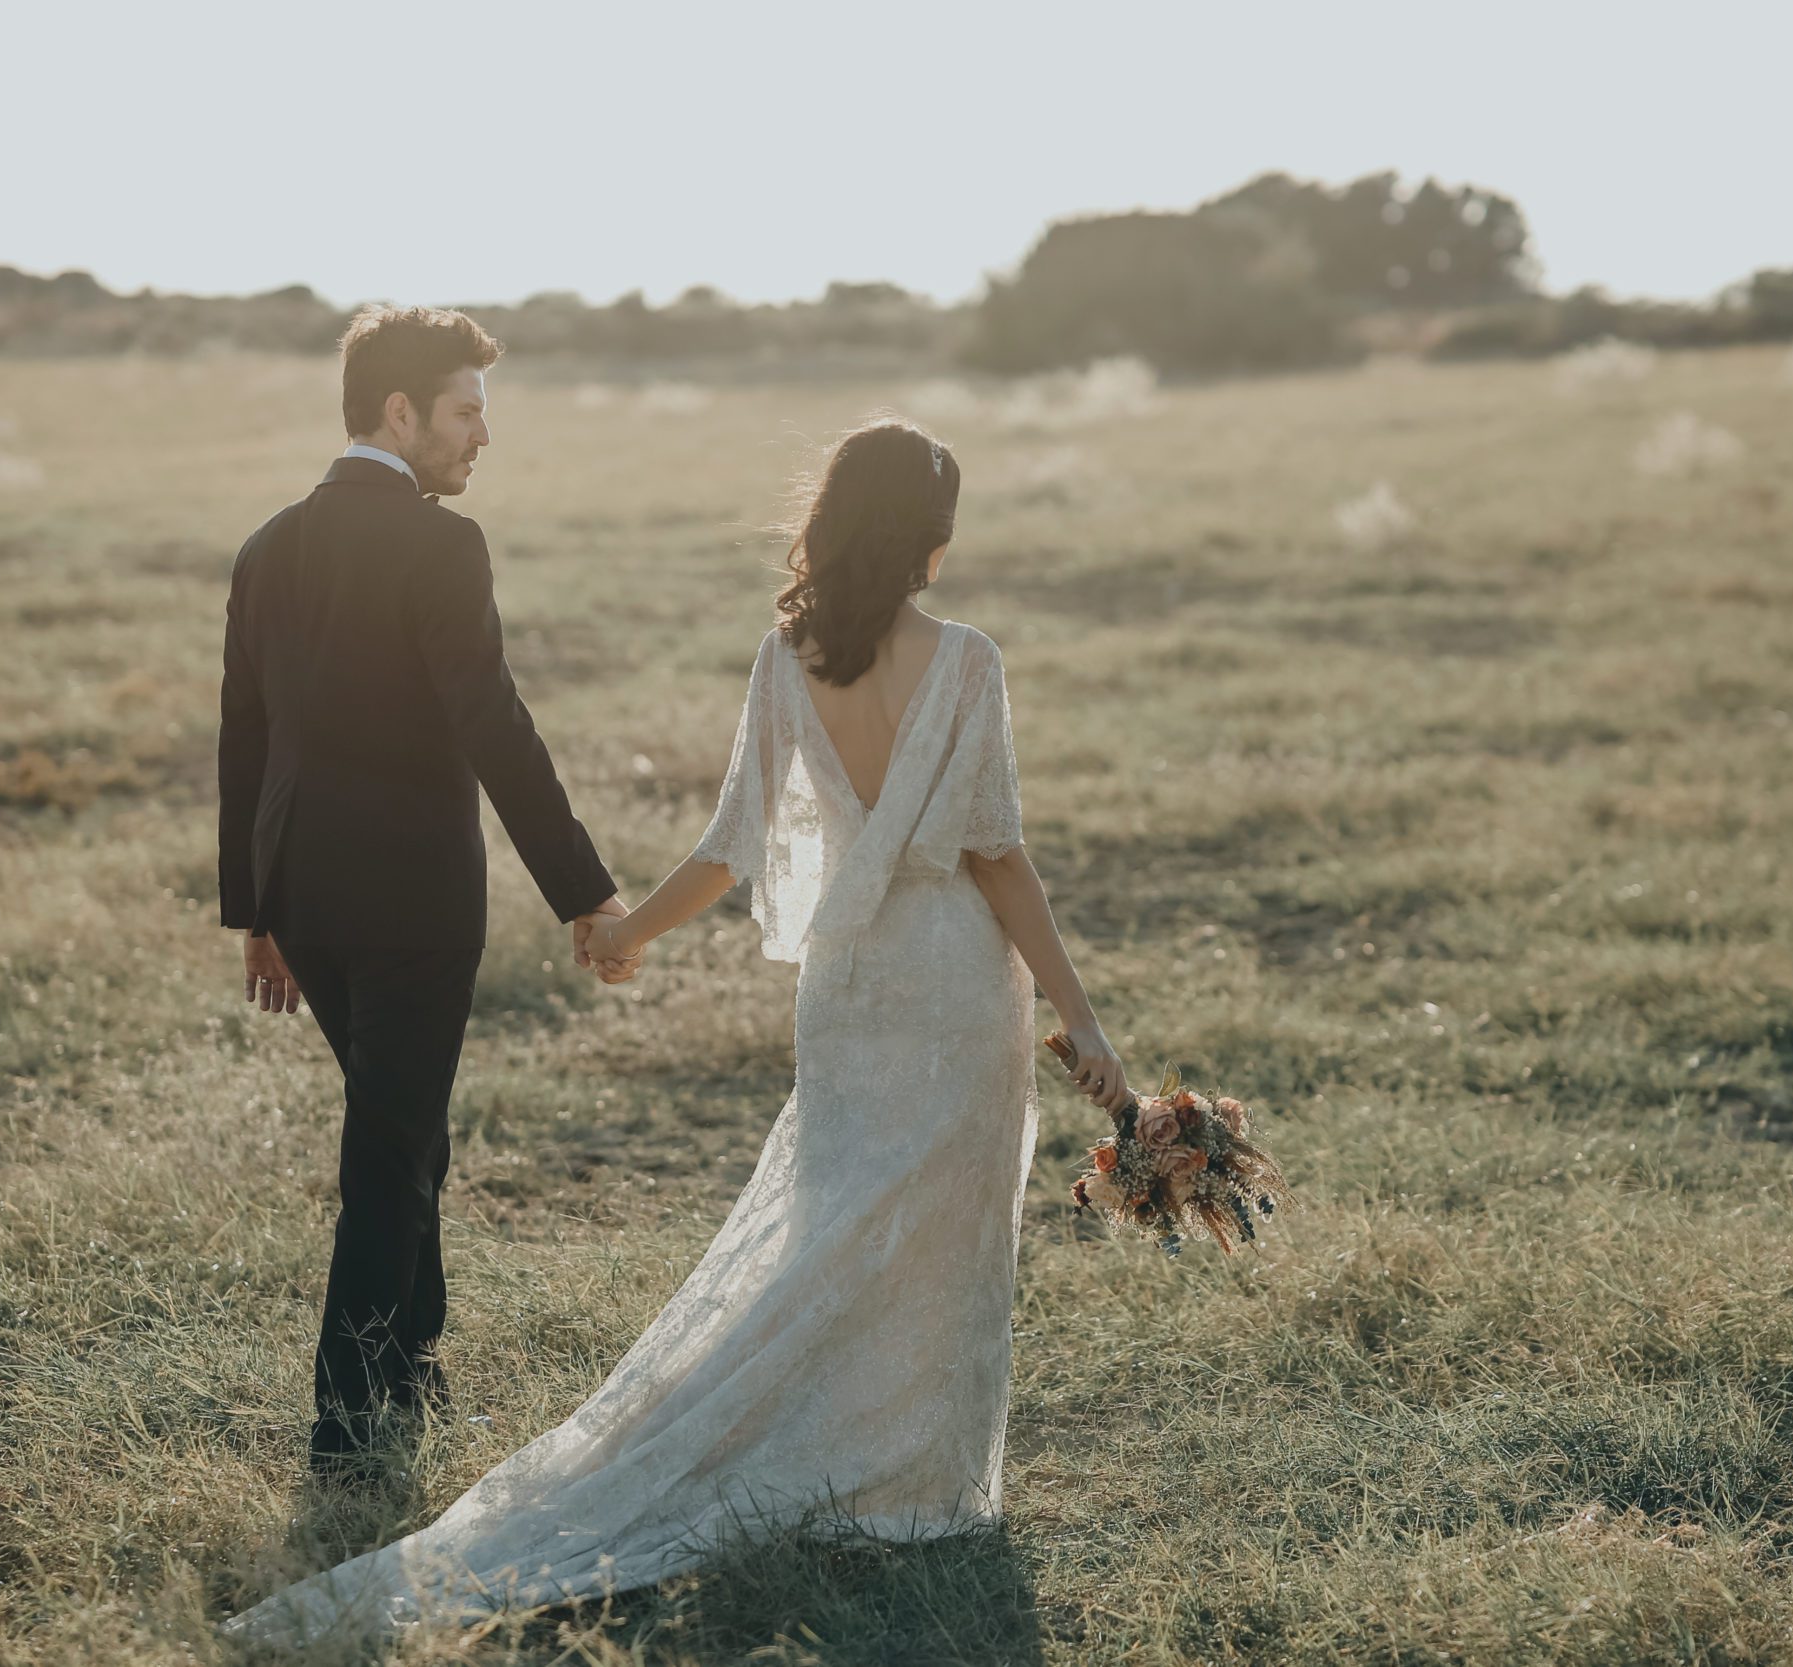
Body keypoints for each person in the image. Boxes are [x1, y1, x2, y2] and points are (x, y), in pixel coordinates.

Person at [222, 415, 1125, 1649]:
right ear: (932, 539)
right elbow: (997, 854)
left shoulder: (790, 653)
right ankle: (913, 1483)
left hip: (850, 986)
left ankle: (846, 1454)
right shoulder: (967, 659)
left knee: (834, 1215)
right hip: (956, 980)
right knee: (942, 1231)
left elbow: (728, 846)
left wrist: (629, 929)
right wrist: (1080, 1016)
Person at [216, 304, 639, 1474]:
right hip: (410, 906)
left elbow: (242, 743)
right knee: (389, 1151)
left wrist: (255, 912)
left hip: (303, 895)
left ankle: (413, 1356)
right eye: (465, 413)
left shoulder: (266, 545)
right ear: (397, 413)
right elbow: (493, 728)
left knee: (401, 1127)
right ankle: (347, 1428)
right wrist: (584, 892)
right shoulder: (442, 547)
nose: (480, 439)